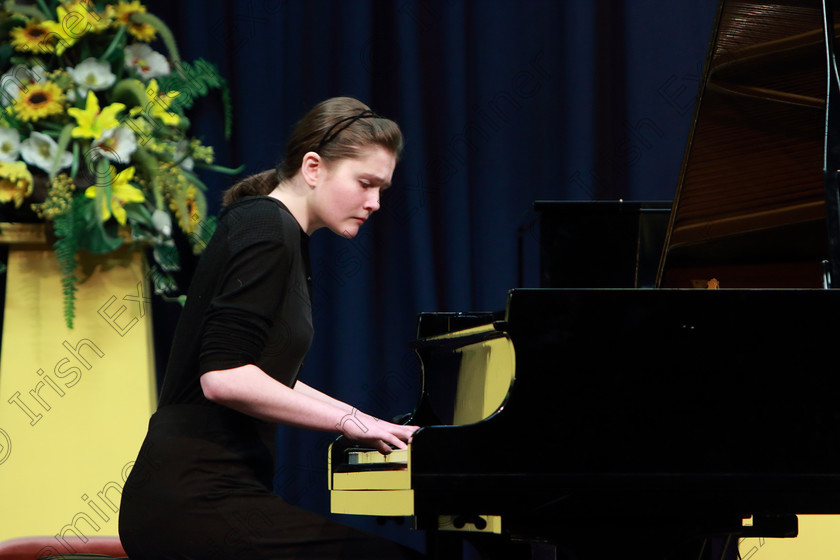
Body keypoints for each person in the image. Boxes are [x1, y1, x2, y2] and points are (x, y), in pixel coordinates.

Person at [119, 97, 422, 560]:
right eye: (366, 183)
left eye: (382, 189)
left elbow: (266, 373)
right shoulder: (266, 225)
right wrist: (349, 422)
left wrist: (369, 423)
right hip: (194, 499)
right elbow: (224, 378)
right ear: (314, 167)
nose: (375, 202)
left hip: (210, 494)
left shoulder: (279, 232)